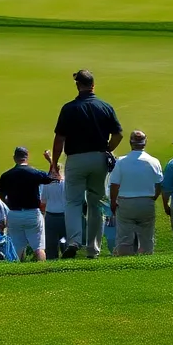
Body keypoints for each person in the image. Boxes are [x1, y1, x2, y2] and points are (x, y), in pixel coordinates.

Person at [49, 68, 123, 259]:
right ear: (93, 85)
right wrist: (108, 148)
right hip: (99, 158)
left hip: (76, 159)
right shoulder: (105, 106)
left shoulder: (69, 108)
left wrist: (54, 163)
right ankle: (93, 249)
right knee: (96, 203)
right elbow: (118, 134)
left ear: (77, 85)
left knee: (73, 201)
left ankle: (74, 241)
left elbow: (59, 140)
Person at [109, 131, 163, 256]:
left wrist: (113, 202)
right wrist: (153, 198)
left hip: (126, 202)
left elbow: (115, 185)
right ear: (145, 143)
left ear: (130, 143)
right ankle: (146, 260)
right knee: (146, 237)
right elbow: (159, 184)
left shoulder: (121, 162)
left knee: (124, 237)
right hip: (146, 201)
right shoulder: (154, 161)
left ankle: (125, 262)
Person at [0, 146, 54, 261]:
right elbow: (52, 177)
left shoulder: (6, 175)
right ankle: (41, 272)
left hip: (14, 213)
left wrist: (9, 206)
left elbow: (1, 195)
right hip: (32, 213)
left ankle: (16, 275)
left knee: (15, 248)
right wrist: (50, 160)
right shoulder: (35, 173)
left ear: (14, 158)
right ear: (27, 157)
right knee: (38, 247)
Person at [40, 163, 65, 261]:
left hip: (50, 216)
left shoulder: (47, 185)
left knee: (51, 243)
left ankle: (52, 260)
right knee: (64, 240)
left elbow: (43, 202)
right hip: (64, 216)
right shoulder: (66, 183)